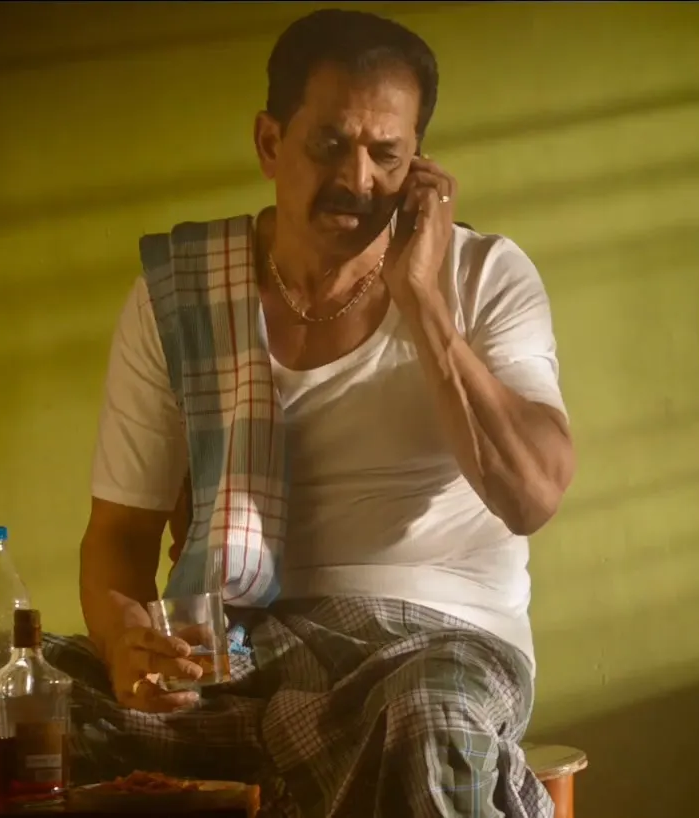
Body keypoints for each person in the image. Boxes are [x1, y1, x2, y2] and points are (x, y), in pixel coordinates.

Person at [54, 9, 575, 817]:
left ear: (419, 164)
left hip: (437, 646)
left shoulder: (484, 277)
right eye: (330, 145)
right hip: (240, 650)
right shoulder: (182, 294)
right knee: (27, 695)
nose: (358, 179)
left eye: (386, 154)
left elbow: (533, 496)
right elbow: (120, 537)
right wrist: (126, 644)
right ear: (270, 142)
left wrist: (422, 301)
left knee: (424, 720)